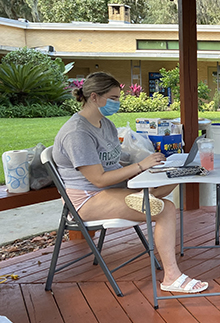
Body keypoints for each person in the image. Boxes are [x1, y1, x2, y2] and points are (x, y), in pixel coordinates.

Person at [53, 72, 207, 293]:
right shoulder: (78, 133)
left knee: (168, 182)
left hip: (113, 189)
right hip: (87, 200)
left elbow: (116, 160)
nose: (117, 102)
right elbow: (97, 180)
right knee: (163, 209)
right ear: (94, 97)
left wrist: (153, 167)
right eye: (113, 98)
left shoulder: (105, 124)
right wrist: (140, 167)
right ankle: (171, 277)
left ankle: (179, 174)